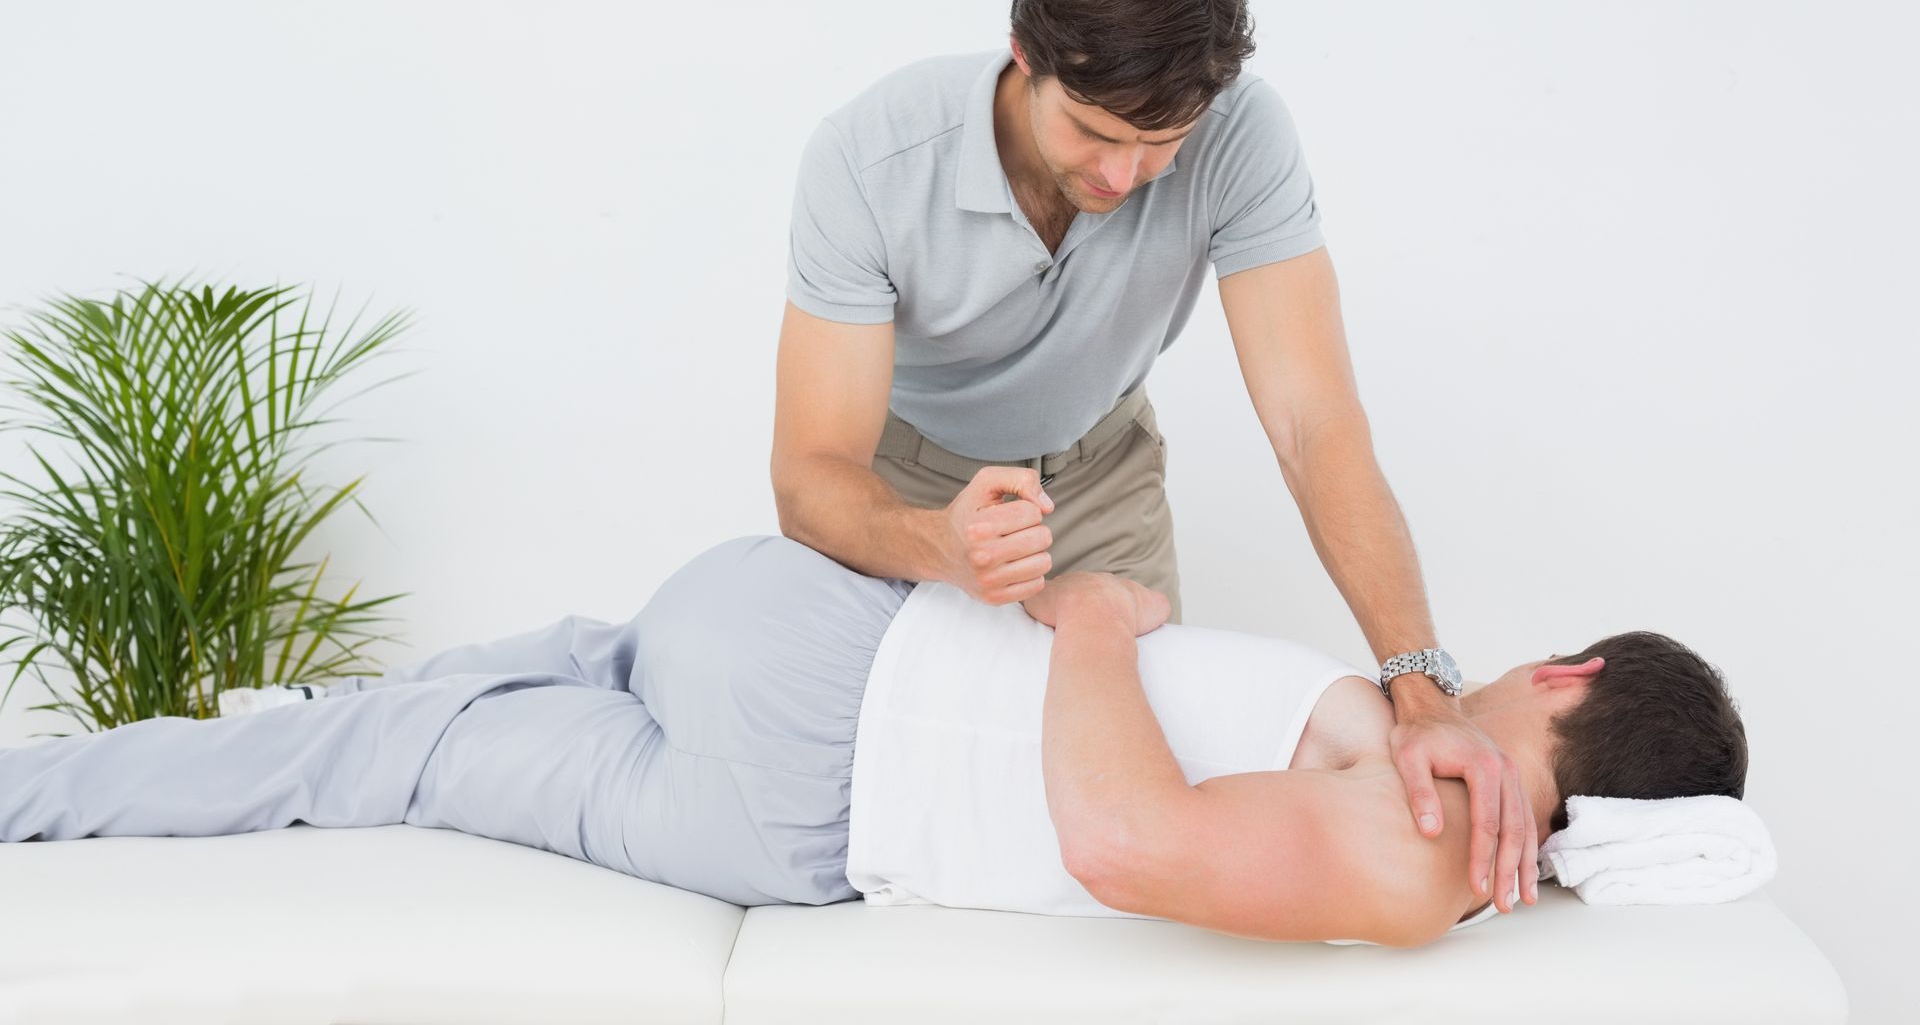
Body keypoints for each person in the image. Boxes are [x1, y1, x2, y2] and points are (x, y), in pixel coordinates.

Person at [770, 0, 1539, 912]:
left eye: (1161, 141)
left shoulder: (1241, 136)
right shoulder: (869, 161)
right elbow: (809, 476)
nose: (1126, 172)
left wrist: (1420, 683)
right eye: (1094, 132)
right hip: (911, 489)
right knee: (901, 812)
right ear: (1022, 56)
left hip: (1104, 476)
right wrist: (937, 543)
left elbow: (1316, 426)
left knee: (1132, 834)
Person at [0, 536, 1747, 949]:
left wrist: (1085, 627)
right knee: (410, 724)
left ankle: (50, 786)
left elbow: (1124, 842)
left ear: (1572, 674)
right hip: (825, 658)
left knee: (376, 748)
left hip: (815, 760)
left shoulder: (1434, 851)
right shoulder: (1426, 773)